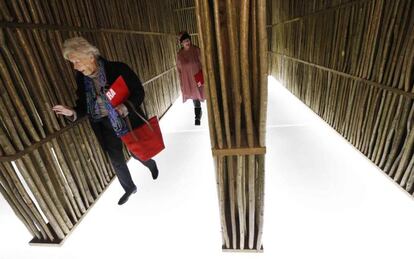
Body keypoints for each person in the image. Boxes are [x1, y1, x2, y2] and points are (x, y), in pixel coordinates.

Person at [52, 37, 158, 206]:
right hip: (102, 123)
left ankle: (150, 163)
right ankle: (129, 188)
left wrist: (124, 107)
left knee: (135, 151)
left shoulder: (118, 69)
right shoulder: (81, 78)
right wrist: (71, 111)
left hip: (124, 120)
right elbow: (83, 104)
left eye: (77, 61)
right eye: (73, 63)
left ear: (90, 56)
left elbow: (138, 92)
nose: (75, 66)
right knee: (115, 158)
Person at [176, 31, 206, 125]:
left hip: (199, 77)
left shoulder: (196, 50)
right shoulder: (180, 54)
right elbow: (179, 69)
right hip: (188, 80)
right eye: (185, 41)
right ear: (181, 43)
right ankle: (197, 117)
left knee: (203, 93)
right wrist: (182, 83)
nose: (187, 42)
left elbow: (203, 62)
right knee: (195, 97)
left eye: (188, 40)